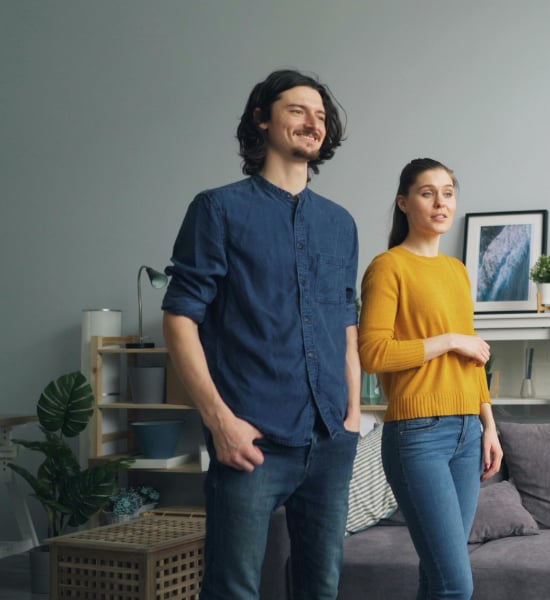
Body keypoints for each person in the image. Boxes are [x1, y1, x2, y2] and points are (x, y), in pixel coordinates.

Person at [161, 69, 360, 599]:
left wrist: (352, 415)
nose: (312, 123)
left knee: (320, 592)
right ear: (262, 119)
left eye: (320, 116)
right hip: (250, 440)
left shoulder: (340, 223)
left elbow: (345, 323)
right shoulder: (217, 209)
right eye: (297, 110)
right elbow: (179, 319)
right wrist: (219, 421)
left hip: (330, 440)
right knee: (233, 591)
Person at [358, 158, 504, 600]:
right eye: (428, 193)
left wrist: (489, 425)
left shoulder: (456, 270)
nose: (441, 203)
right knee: (455, 585)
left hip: (467, 432)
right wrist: (449, 340)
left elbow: (473, 359)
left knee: (437, 578)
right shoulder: (388, 267)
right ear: (404, 203)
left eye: (448, 193)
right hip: (418, 435)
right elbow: (373, 354)